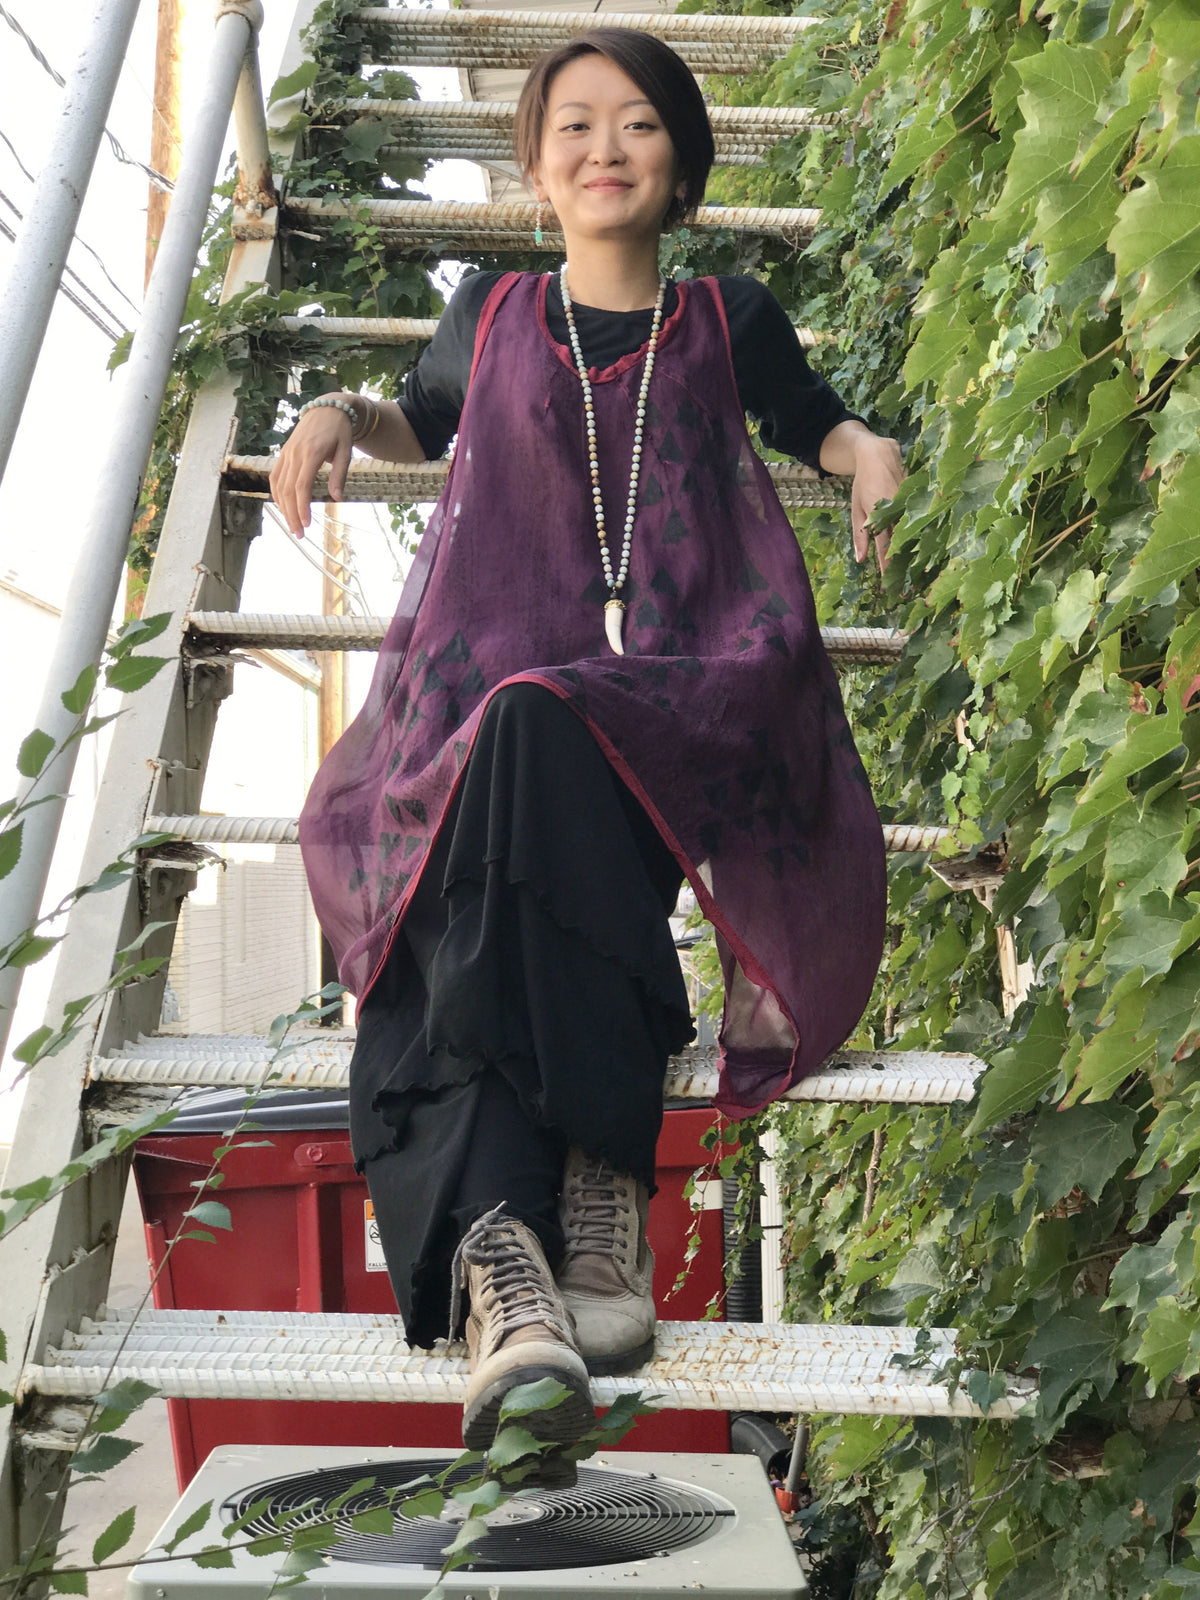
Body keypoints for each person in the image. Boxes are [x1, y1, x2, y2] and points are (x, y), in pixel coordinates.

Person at [270, 28, 900, 1481]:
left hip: (693, 692)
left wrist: (864, 450)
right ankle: (548, 1260)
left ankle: (537, 1222)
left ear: (681, 161)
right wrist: (332, 412)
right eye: (573, 124)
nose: (604, 146)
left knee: (526, 738)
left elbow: (814, 423)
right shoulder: (490, 311)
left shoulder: (729, 316)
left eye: (637, 123)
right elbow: (414, 419)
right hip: (505, 706)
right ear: (535, 167)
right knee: (491, 813)